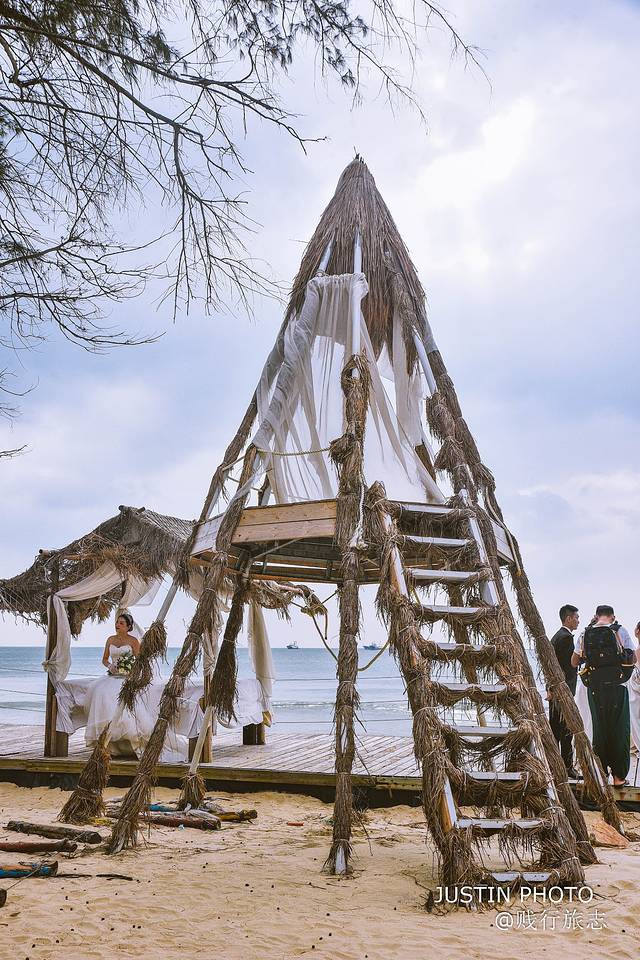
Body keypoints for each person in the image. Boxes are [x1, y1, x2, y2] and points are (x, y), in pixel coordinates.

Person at [571, 604, 635, 786]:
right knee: (619, 730)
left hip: (595, 688)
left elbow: (574, 662)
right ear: (612, 617)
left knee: (599, 730)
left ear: (596, 616)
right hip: (618, 686)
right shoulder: (619, 630)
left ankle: (601, 774)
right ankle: (619, 778)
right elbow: (633, 659)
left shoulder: (585, 633)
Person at [548, 604, 580, 779]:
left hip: (555, 690)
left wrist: (550, 688)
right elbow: (567, 667)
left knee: (555, 729)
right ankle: (567, 767)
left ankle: (554, 766)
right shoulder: (566, 638)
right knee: (566, 730)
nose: (578, 620)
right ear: (568, 618)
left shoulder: (556, 637)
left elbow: (550, 666)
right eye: (576, 617)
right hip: (564, 690)